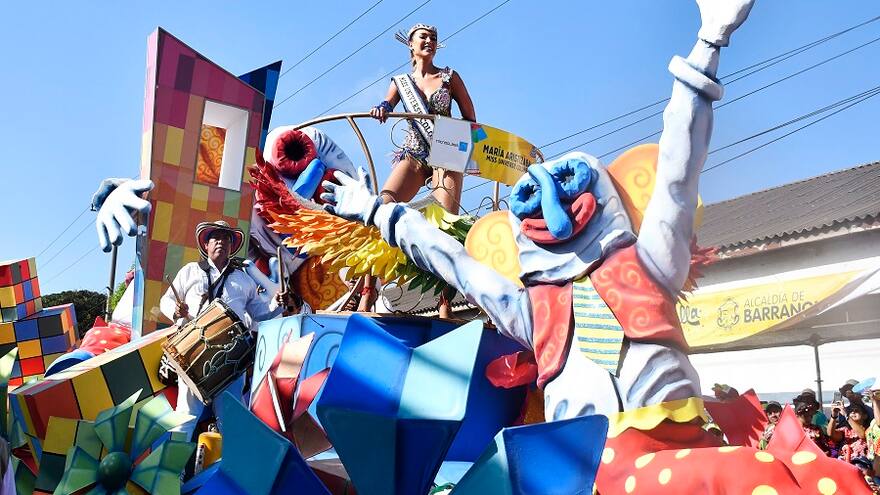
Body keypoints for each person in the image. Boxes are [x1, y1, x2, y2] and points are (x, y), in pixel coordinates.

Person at [365, 23, 476, 317]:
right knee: (381, 209)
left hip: (447, 154)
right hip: (414, 154)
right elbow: (386, 104)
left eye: (434, 38)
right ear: (411, 46)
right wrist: (381, 108)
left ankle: (444, 304)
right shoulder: (400, 81)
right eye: (423, 37)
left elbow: (470, 117)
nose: (429, 41)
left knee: (445, 225)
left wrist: (461, 148)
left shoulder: (450, 77)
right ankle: (366, 294)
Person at [159, 220, 282, 439]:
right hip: (193, 354)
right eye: (216, 238)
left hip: (230, 358)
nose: (221, 242)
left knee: (231, 421)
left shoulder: (243, 279)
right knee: (185, 417)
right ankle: (171, 471)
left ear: (232, 246)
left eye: (226, 239)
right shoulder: (190, 271)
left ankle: (233, 470)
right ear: (206, 244)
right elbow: (166, 301)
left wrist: (277, 303)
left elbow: (260, 314)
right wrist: (176, 311)